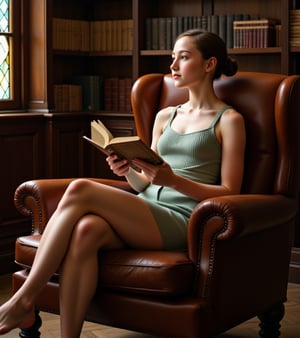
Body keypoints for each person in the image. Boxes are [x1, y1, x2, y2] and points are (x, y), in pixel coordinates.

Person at [0, 29, 246, 337]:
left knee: (80, 187)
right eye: (172, 58)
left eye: (183, 58)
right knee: (85, 232)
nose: (173, 67)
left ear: (210, 64)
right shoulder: (164, 116)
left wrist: (173, 180)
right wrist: (127, 170)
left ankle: (24, 300)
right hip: (146, 209)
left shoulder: (228, 120)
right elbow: (146, 183)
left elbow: (230, 193)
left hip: (185, 219)